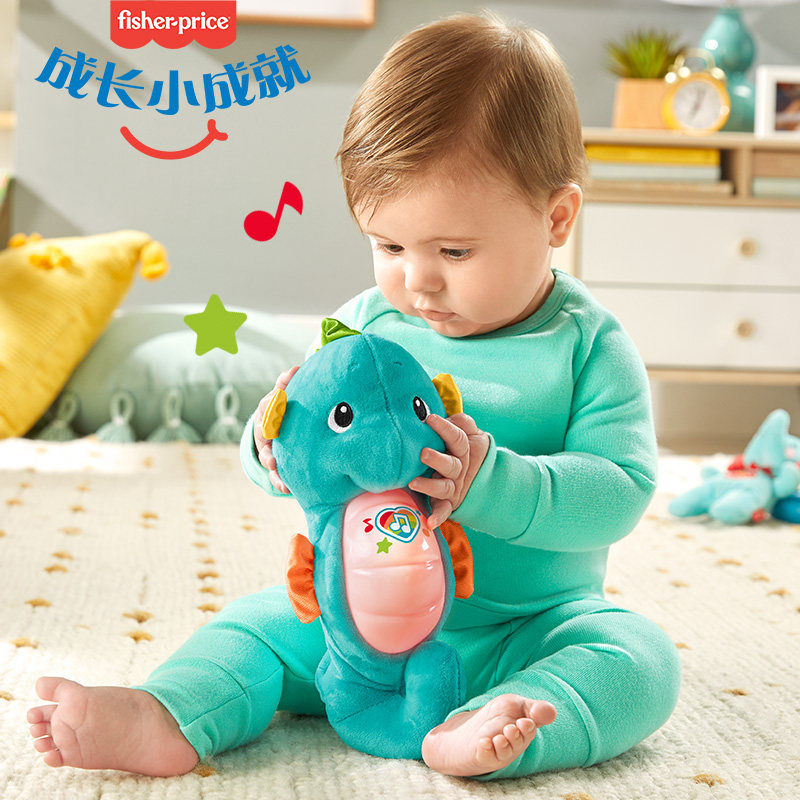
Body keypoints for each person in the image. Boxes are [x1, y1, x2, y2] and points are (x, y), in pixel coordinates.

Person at [27, 11, 681, 781]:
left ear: (556, 217)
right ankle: (167, 712)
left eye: (454, 250)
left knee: (638, 658)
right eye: (388, 245)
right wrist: (270, 443)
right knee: (254, 626)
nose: (418, 279)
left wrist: (491, 483)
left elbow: (619, 491)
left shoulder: (586, 345)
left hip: (522, 629)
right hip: (357, 630)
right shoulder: (364, 330)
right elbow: (299, 453)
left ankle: (488, 724)